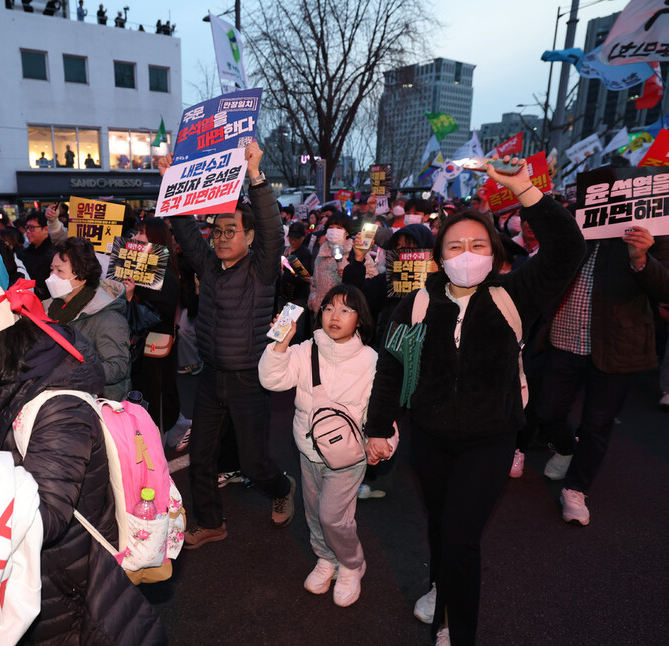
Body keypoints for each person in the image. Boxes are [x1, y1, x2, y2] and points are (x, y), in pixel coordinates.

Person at [363, 157, 586, 646]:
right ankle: (442, 598)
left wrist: (525, 189)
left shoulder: (514, 293)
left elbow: (569, 248)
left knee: (461, 537)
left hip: (491, 438)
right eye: (455, 245)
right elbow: (391, 365)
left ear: (495, 253)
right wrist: (377, 427)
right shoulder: (417, 302)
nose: (467, 253)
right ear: (439, 254)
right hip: (430, 438)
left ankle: (458, 632)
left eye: (478, 245)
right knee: (442, 530)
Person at [0, 278, 166, 644]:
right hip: (29, 572)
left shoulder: (59, 402)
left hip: (64, 582)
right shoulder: (4, 377)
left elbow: (46, 516)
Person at [161, 142, 295, 548]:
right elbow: (184, 228)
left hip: (249, 381)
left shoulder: (262, 269)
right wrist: (171, 180)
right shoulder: (208, 265)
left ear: (250, 236)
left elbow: (273, 227)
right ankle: (211, 522)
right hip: (210, 378)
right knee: (202, 457)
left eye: (230, 230)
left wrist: (255, 175)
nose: (220, 238)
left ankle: (282, 487)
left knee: (254, 462)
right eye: (216, 231)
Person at [538, 221, 669, 525]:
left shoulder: (655, 230)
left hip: (617, 344)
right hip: (564, 337)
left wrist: (640, 258)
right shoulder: (579, 223)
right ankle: (567, 447)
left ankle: (576, 489)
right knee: (546, 411)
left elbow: (664, 288)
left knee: (597, 422)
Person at [259, 284, 378, 606]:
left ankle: (352, 564)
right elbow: (271, 380)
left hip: (349, 456)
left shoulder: (370, 360)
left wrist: (384, 440)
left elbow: (380, 408)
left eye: (345, 309)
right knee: (313, 512)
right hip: (309, 450)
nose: (334, 316)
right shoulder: (304, 350)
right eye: (328, 308)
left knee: (333, 516)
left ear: (360, 319)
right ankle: (326, 558)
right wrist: (281, 343)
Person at [44, 237, 131, 401]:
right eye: (51, 269)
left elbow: (117, 367)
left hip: (96, 402)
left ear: (82, 276)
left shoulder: (107, 317)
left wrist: (69, 372)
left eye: (59, 271)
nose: (52, 276)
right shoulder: (49, 307)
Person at [124, 219, 182, 432]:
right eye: (136, 233)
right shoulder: (143, 267)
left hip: (154, 351)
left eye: (142, 234)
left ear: (156, 239)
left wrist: (130, 298)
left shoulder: (162, 273)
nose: (136, 238)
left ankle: (159, 439)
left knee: (154, 398)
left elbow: (154, 315)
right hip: (142, 348)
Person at [21, 212, 55, 299]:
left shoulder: (52, 254)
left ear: (45, 229)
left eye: (32, 228)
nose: (28, 231)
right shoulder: (28, 251)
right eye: (27, 228)